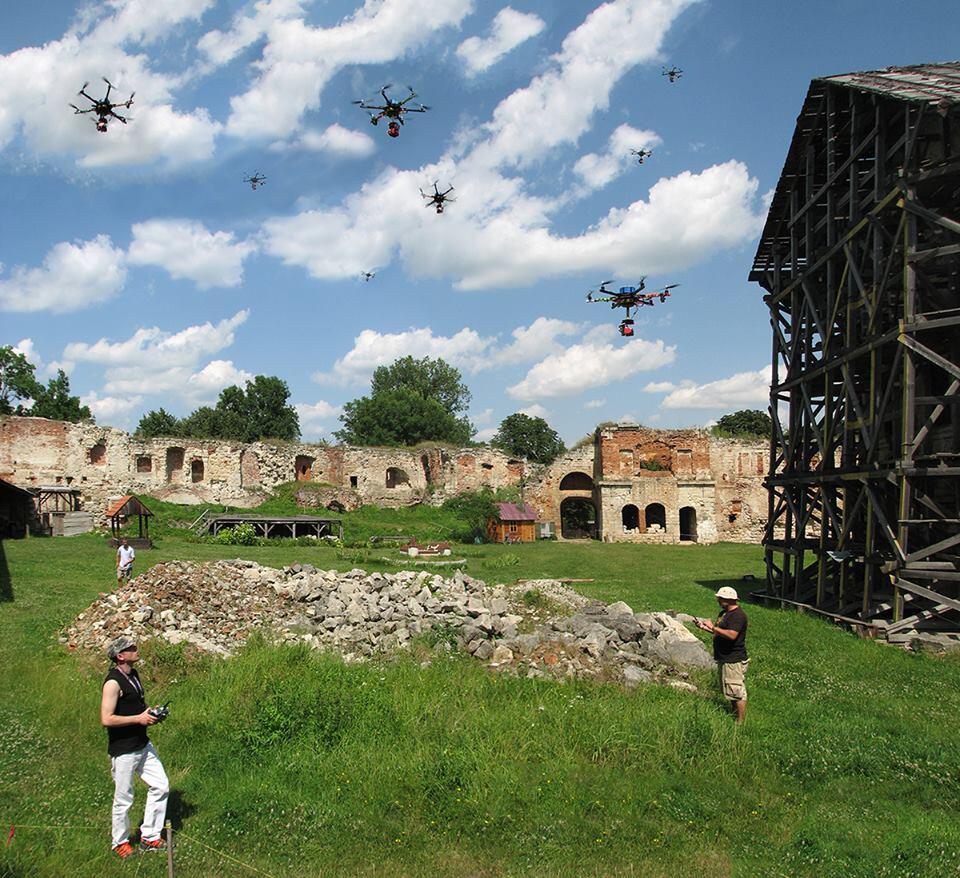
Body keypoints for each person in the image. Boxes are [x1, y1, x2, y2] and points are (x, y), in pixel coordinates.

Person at [101, 636, 169, 858]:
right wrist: (138, 719)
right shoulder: (112, 683)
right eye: (130, 648)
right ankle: (119, 842)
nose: (136, 649)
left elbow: (137, 705)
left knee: (161, 786)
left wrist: (150, 713)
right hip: (123, 748)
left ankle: (150, 836)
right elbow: (106, 718)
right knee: (124, 797)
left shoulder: (134, 675)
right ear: (120, 656)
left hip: (142, 743)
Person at [695, 586, 749, 723]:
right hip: (724, 657)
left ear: (728, 599)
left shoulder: (738, 616)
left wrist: (712, 627)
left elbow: (732, 635)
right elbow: (720, 632)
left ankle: (740, 722)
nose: (718, 600)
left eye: (720, 598)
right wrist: (705, 628)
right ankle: (734, 715)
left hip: (733, 658)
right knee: (730, 690)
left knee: (737, 691)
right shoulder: (724, 613)